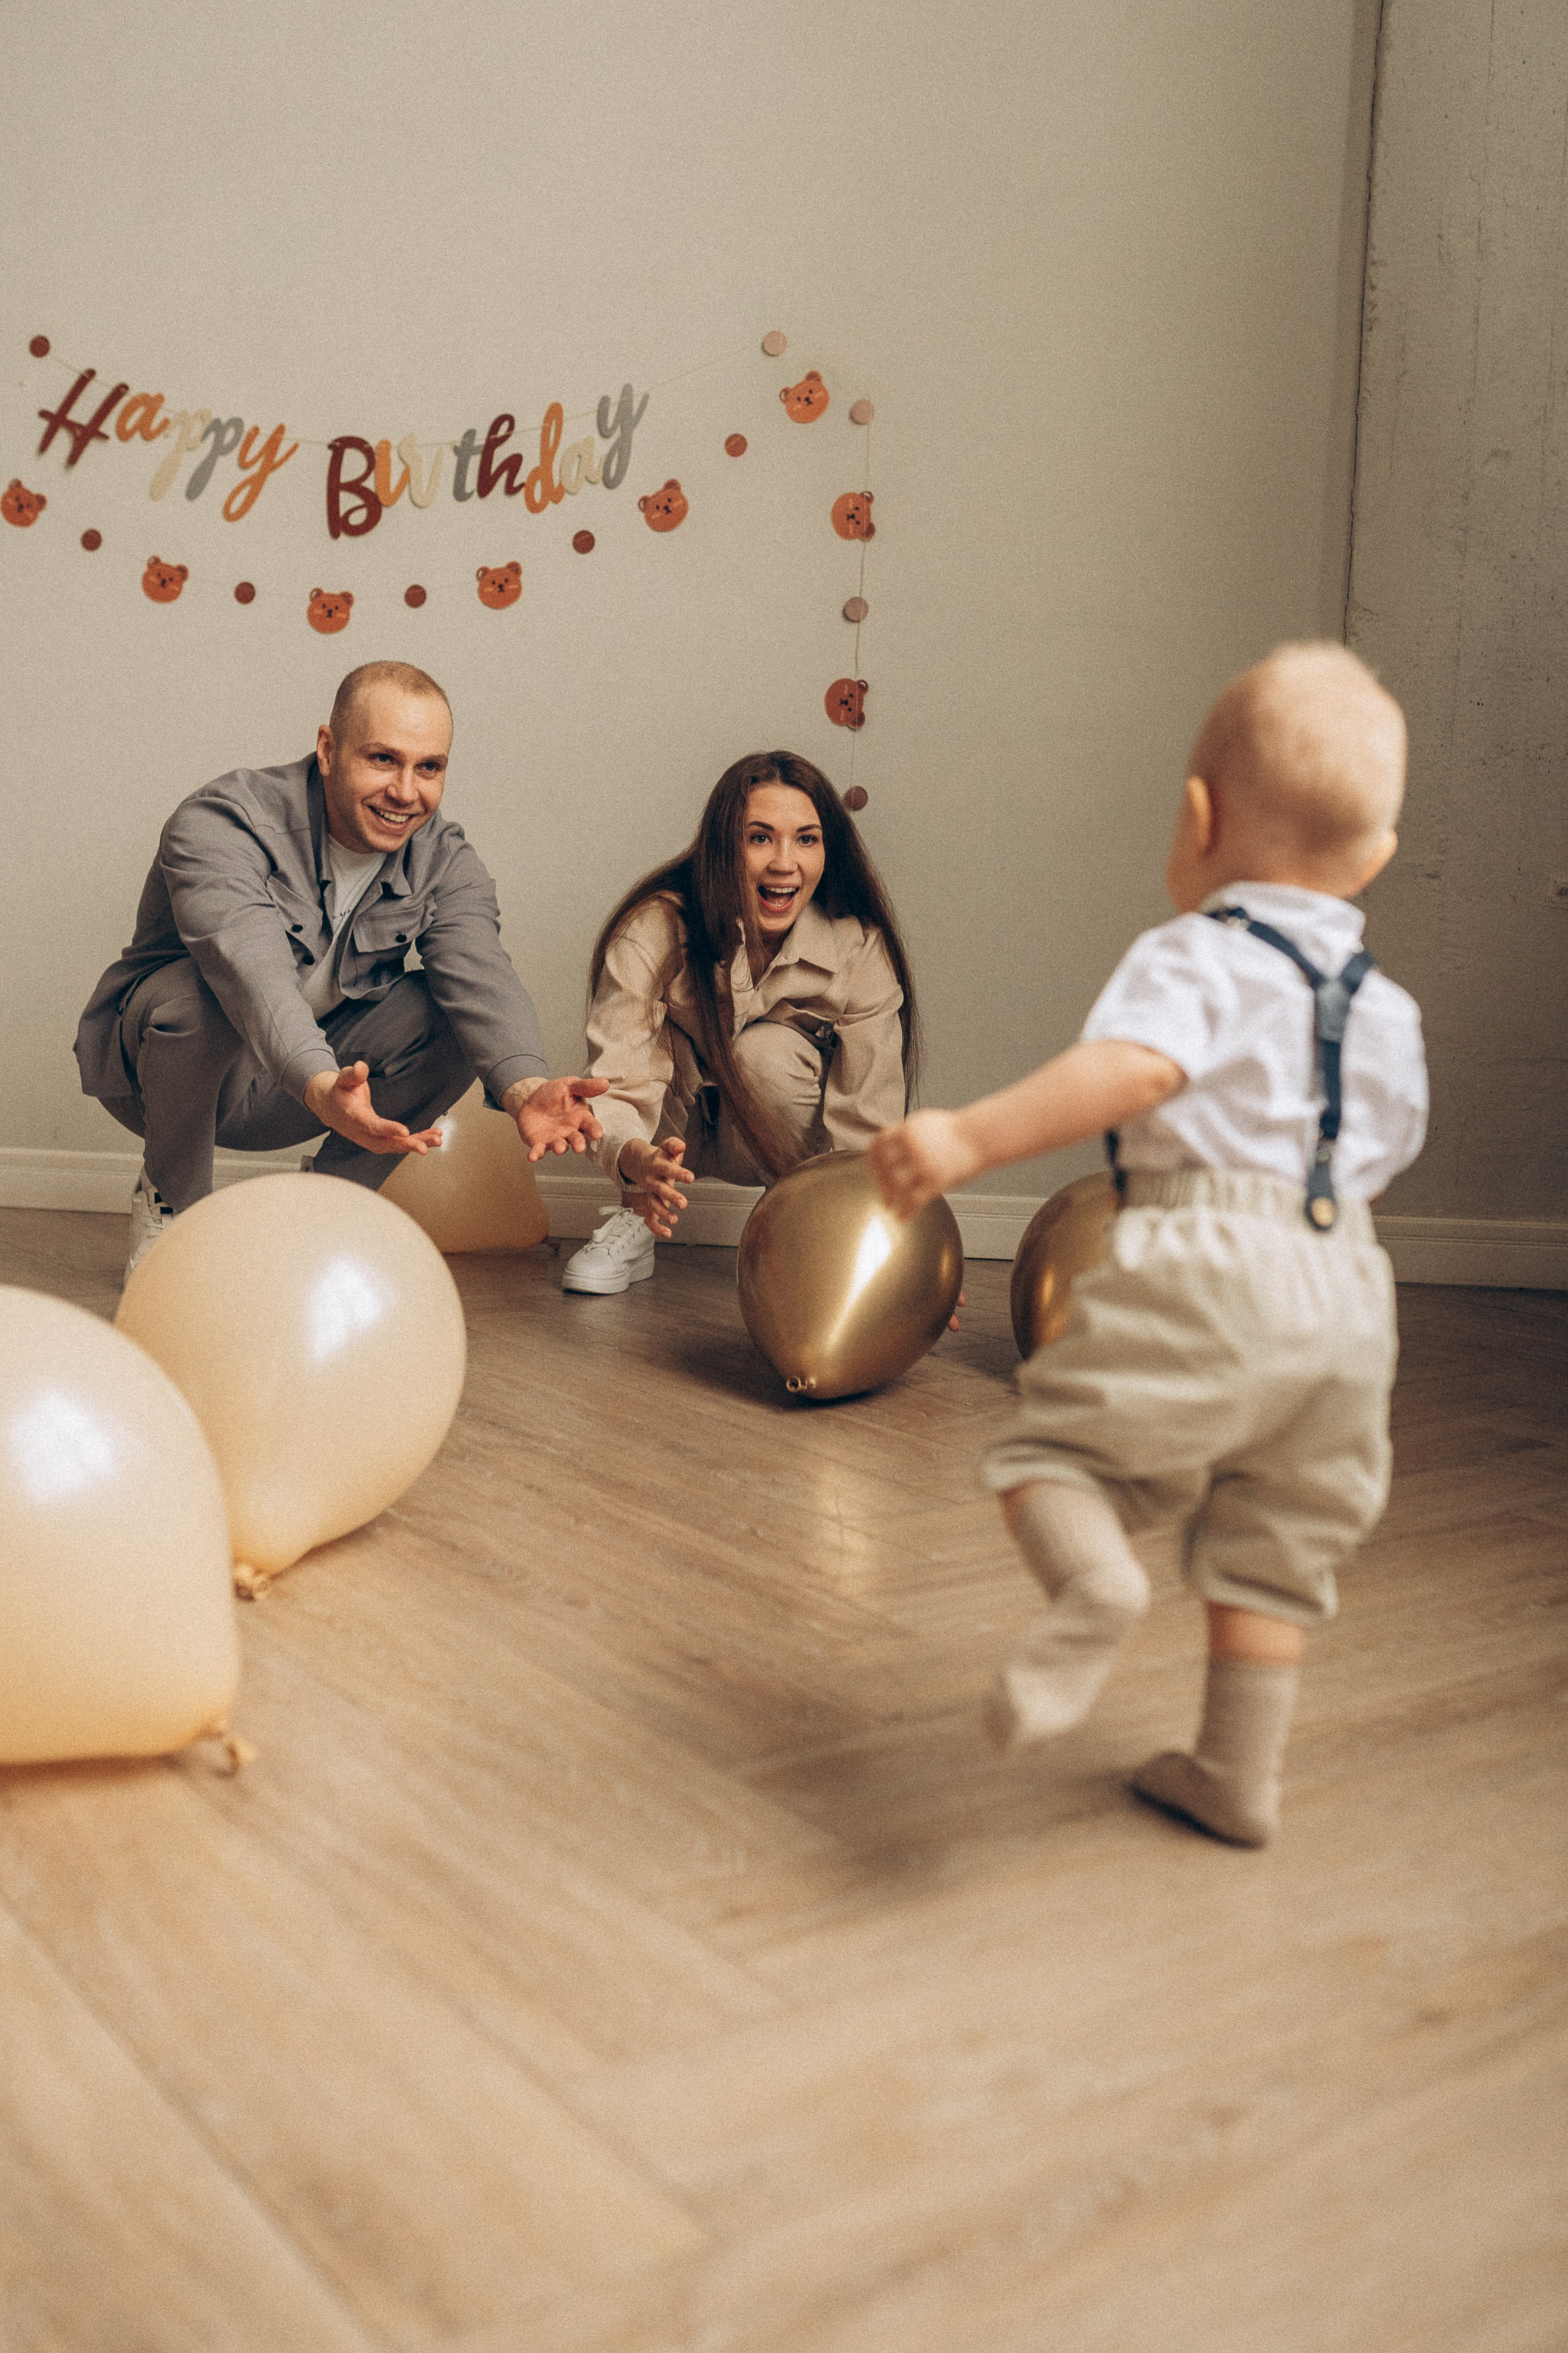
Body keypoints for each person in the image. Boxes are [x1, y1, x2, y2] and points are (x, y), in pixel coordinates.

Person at [870, 644, 1427, 1848]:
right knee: (1275, 1542)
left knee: (1048, 1455)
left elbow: (1131, 1071)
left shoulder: (1199, 951)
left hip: (1209, 1260)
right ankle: (1235, 1775)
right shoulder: (1386, 1007)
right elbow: (1382, 1149)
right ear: (1375, 856)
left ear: (1197, 817)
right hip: (1349, 1291)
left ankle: (1095, 1585)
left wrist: (967, 1137)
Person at [75, 661, 606, 1277]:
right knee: (199, 997)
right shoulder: (223, 821)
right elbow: (251, 972)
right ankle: (170, 1204)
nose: (406, 792)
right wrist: (321, 1084)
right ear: (328, 749)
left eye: (429, 768)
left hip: (314, 1092)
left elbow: (481, 975)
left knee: (450, 1018)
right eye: (383, 759)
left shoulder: (445, 859)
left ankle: (323, 1207)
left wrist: (523, 1088)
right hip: (165, 1082)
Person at [560, 749, 918, 1295]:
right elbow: (617, 1080)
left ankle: (799, 1222)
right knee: (656, 1055)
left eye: (806, 839)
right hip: (672, 1133)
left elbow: (869, 1122)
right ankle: (638, 1217)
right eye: (759, 838)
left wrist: (886, 1249)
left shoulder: (859, 949)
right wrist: (637, 1161)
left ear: (829, 849)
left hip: (779, 1142)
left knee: (763, 1054)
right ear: (723, 847)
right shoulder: (654, 928)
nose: (784, 863)